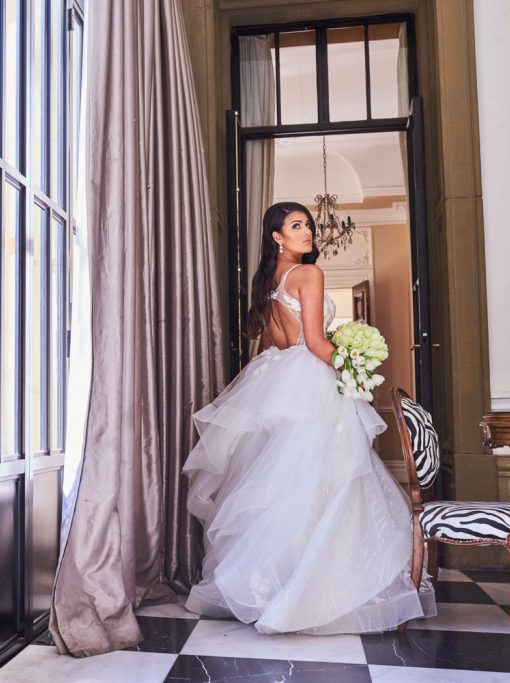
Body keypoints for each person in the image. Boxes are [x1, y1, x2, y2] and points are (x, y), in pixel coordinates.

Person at [183, 202, 435, 634]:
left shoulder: (266, 284)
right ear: (276, 236)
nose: (308, 233)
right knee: (328, 482)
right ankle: (310, 589)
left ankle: (269, 584)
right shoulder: (309, 275)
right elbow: (317, 344)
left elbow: (275, 345)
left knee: (285, 485)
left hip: (279, 382)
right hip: (312, 384)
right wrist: (355, 367)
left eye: (309, 226)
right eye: (296, 226)